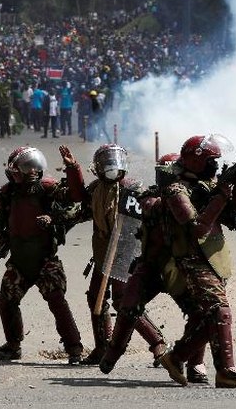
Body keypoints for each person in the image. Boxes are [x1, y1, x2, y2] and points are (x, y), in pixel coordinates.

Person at [99, 153, 208, 383]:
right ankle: (113, 352)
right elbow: (149, 208)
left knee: (200, 311)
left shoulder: (192, 197)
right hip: (150, 266)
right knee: (127, 305)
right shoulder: (150, 198)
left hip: (180, 268)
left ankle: (195, 362)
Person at [158, 134, 236, 388]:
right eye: (212, 160)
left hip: (213, 258)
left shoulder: (207, 186)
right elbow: (197, 227)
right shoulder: (175, 190)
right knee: (219, 311)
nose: (215, 165)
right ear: (196, 161)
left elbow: (235, 220)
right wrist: (222, 192)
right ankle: (225, 371)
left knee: (210, 318)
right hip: (191, 259)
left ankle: (176, 357)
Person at [67, 144, 166, 365]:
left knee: (124, 301)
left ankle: (158, 343)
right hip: (103, 252)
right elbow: (80, 206)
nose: (112, 168)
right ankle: (102, 346)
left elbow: (149, 212)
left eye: (115, 162)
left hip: (126, 253)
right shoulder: (95, 189)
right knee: (96, 298)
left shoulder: (133, 189)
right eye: (107, 163)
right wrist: (73, 169)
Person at [0, 145, 84, 364]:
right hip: (19, 261)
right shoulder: (7, 194)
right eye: (27, 167)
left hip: (45, 260)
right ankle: (13, 345)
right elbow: (3, 227)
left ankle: (74, 349)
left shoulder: (48, 187)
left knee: (57, 300)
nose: (33, 171)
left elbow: (76, 195)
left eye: (35, 167)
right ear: (15, 171)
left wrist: (73, 169)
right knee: (6, 301)